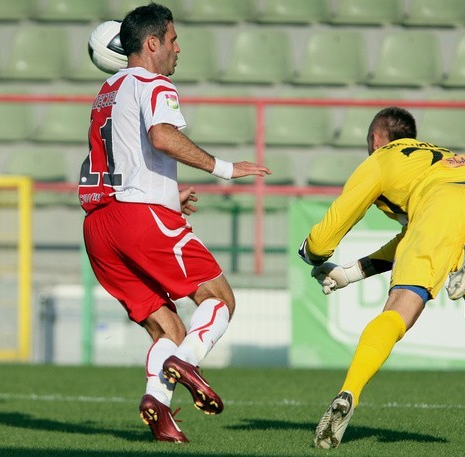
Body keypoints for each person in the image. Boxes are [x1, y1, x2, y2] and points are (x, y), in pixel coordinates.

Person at [78, 3, 270, 444]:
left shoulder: (106, 90)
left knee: (169, 327)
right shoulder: (153, 82)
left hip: (99, 226)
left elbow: (119, 159)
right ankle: (187, 363)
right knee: (218, 298)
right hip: (138, 216)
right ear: (152, 44)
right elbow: (161, 137)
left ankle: (159, 411)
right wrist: (224, 167)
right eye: (172, 39)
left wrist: (167, 193)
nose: (177, 49)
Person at [298, 106, 465, 449]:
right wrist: (351, 273)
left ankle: (350, 390)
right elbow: (414, 233)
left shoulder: (383, 158)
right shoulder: (442, 156)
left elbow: (325, 237)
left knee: (398, 313)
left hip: (439, 204)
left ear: (374, 138)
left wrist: (311, 254)